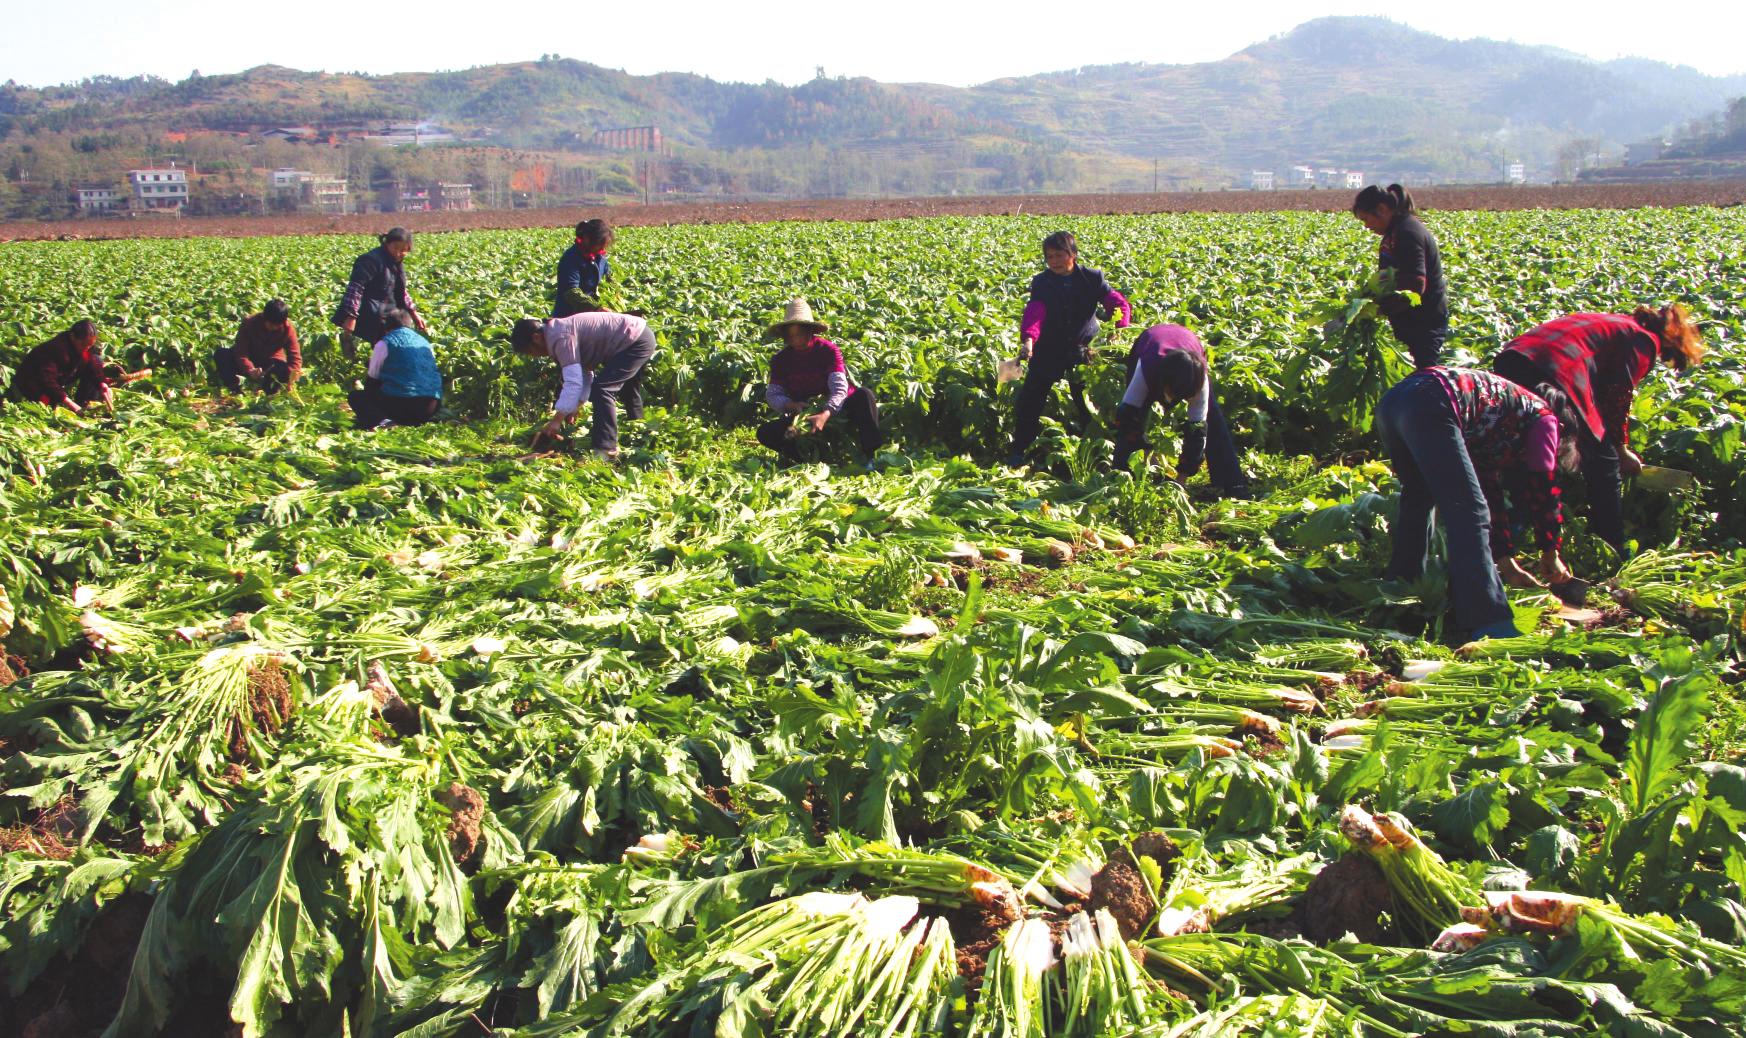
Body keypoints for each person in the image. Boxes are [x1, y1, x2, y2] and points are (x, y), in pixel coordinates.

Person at [1374, 366, 1579, 642]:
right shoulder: (1545, 420)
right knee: (1468, 512)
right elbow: (1543, 490)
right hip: (1433, 400)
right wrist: (1550, 553)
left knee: (1420, 498)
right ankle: (1488, 620)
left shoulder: (1498, 422)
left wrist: (1506, 564)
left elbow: (1488, 491)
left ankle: (1401, 592)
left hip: (1395, 402)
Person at [1491, 305, 1705, 551]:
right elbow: (1616, 396)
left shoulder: (1618, 322)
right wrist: (1621, 451)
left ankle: (1511, 532)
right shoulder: (1643, 341)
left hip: (1514, 358)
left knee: (1523, 445)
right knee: (1604, 461)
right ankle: (1612, 544)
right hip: (1554, 369)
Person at [1007, 230, 1130, 466]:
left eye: (1059, 255)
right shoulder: (1042, 282)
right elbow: (1035, 312)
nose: (1054, 261)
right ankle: (1020, 449)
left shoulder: (1092, 278)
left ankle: (1096, 452)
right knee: (1030, 399)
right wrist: (1028, 340)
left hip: (1084, 349)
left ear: (1072, 254)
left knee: (1087, 402)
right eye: (1049, 257)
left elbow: (1116, 303)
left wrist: (1119, 326)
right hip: (1048, 349)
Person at [1113, 324, 1250, 498]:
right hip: (1149, 343)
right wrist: (1146, 452)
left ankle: (1233, 484)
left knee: (1212, 419)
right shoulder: (1147, 370)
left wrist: (1181, 480)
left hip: (1189, 348)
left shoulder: (1198, 382)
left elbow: (1197, 432)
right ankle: (1121, 479)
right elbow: (1126, 418)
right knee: (1133, 419)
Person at [511, 304, 656, 459]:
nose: (535, 356)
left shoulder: (560, 337)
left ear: (536, 338)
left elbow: (573, 382)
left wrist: (556, 420)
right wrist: (577, 405)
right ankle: (640, 436)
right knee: (628, 390)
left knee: (602, 390)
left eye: (531, 351)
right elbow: (584, 375)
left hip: (634, 340)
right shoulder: (557, 332)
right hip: (637, 336)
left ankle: (606, 451)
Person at [755, 298, 882, 463]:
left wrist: (826, 413)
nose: (796, 341)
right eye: (791, 336)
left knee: (864, 395)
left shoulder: (827, 350)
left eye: (800, 334)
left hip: (838, 407)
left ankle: (870, 456)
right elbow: (773, 394)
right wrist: (791, 405)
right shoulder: (781, 359)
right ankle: (811, 457)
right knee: (766, 432)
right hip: (806, 412)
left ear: (810, 331)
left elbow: (839, 389)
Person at [1352, 184, 1447, 369]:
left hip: (1423, 323)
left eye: (1366, 218)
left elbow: (1414, 285)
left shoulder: (1407, 232)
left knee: (1424, 377)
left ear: (1382, 209)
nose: (1366, 226)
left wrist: (1378, 309)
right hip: (1411, 322)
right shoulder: (1396, 232)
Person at [7, 320, 148, 412]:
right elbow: (47, 380)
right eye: (83, 344)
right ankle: (72, 406)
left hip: (59, 379)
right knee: (45, 405)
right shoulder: (56, 349)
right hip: (32, 385)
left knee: (96, 361)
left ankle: (84, 402)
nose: (85, 348)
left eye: (89, 345)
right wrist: (69, 403)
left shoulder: (82, 348)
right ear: (73, 336)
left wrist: (102, 385)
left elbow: (92, 364)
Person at [334, 227, 424, 360]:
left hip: (391, 310)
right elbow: (356, 288)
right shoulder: (370, 260)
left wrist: (413, 312)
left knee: (399, 345)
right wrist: (351, 316)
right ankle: (376, 371)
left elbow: (401, 290)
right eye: (396, 248)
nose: (399, 253)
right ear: (387, 244)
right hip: (372, 311)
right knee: (383, 348)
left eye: (404, 250)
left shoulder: (396, 263)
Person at [348, 308, 443, 430]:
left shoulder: (385, 343)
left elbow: (372, 380)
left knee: (356, 397)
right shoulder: (424, 343)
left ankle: (384, 422)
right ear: (410, 325)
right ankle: (414, 421)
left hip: (401, 405)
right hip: (431, 406)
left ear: (386, 327)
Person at [216, 299, 301, 394]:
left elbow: (295, 357)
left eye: (277, 325)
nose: (274, 327)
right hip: (249, 359)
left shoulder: (288, 329)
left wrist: (292, 377)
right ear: (264, 317)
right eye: (271, 324)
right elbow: (241, 352)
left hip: (269, 363)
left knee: (281, 368)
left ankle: (268, 391)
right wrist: (250, 369)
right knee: (222, 354)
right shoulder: (249, 323)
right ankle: (234, 387)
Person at [554, 218, 613, 317]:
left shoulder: (600, 258)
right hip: (570, 316)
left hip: (593, 315)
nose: (602, 249)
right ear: (587, 239)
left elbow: (609, 279)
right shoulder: (571, 258)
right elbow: (571, 292)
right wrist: (596, 308)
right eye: (599, 244)